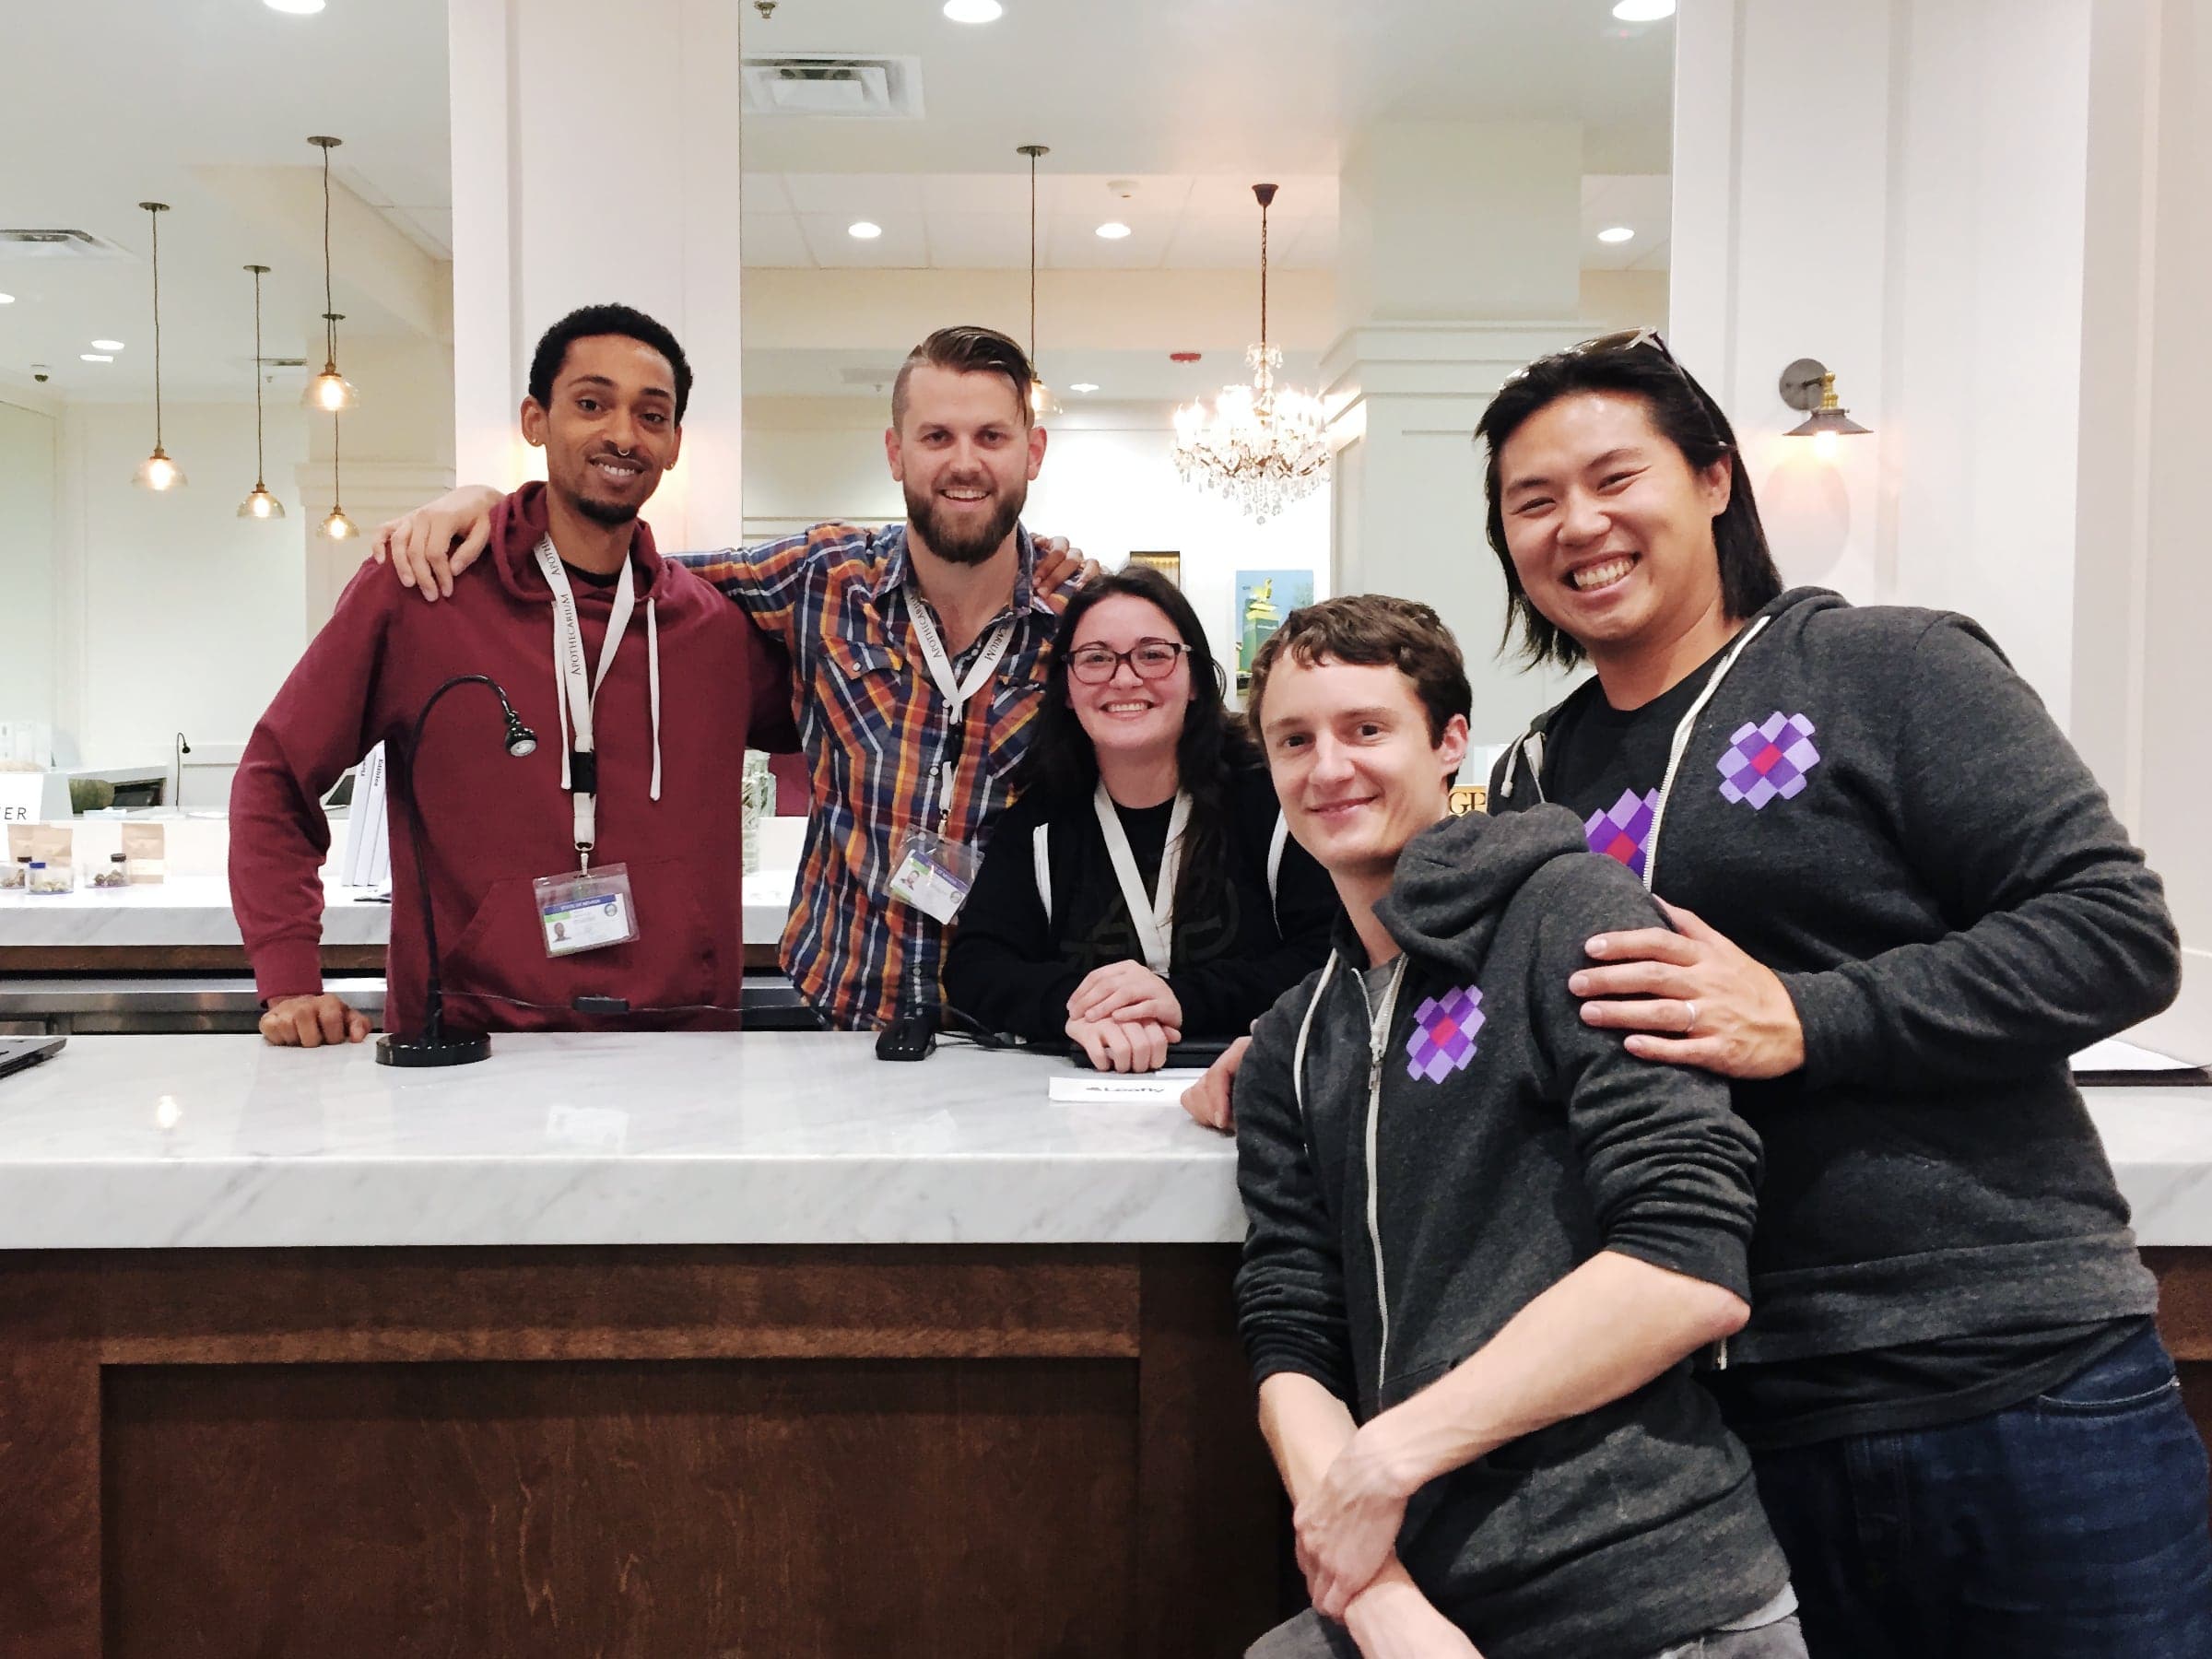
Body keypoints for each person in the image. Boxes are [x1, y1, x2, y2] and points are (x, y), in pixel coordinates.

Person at [1476, 329, 2209, 1656]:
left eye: (1612, 477)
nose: (1578, 525)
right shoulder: (1539, 779)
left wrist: (1806, 1017)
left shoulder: (1889, 668)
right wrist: (1303, 1053)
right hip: (1725, 1417)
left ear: (1711, 478)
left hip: (2012, 1373)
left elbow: (2114, 932)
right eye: (1532, 502)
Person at [1234, 594, 1802, 1659]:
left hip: (1650, 1591)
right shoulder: (1291, 1040)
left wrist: (1386, 1458)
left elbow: (1687, 1262)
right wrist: (1381, 1602)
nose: (1328, 770)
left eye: (1366, 730)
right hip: (1423, 1595)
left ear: (1451, 742)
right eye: (1293, 740)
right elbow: (1291, 1327)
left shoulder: (1569, 916)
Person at [371, 325, 1088, 1030]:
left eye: (990, 437)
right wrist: (492, 506)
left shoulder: (1084, 627)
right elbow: (621, 569)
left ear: (1033, 453)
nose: (964, 462)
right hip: (839, 1025)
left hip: (1014, 1029)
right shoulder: (827, 576)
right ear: (896, 454)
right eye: (937, 437)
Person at [230, 303, 794, 1046]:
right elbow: (276, 776)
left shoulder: (712, 631)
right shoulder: (421, 592)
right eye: (591, 404)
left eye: (651, 416)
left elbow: (860, 719)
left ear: (675, 444)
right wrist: (291, 980)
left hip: (679, 1042)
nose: (623, 435)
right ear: (536, 420)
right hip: (470, 1045)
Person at [944, 565, 1335, 1070]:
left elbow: (1332, 955)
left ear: (1195, 680)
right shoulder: (1040, 824)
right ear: (1066, 688)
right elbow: (976, 969)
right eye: (1096, 658)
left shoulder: (1272, 802)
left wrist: (1181, 999)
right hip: (1080, 1107)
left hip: (1251, 1090)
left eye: (1153, 655)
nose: (1124, 677)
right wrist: (1082, 1008)